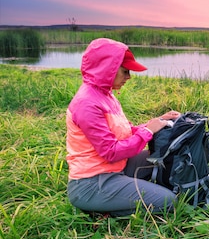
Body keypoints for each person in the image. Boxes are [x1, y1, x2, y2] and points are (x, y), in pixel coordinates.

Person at [66, 37, 180, 217]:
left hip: (115, 168)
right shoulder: (87, 104)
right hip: (91, 183)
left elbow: (126, 132)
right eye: (125, 71)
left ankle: (124, 193)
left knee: (166, 157)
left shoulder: (105, 95)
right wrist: (148, 131)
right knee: (169, 201)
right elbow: (111, 151)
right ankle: (101, 210)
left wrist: (157, 121)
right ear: (107, 69)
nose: (129, 77)